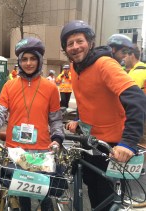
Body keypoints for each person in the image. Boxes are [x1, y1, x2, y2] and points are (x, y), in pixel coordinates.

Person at [60, 20, 146, 210]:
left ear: (90, 42)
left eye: (79, 41)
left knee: (109, 200)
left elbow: (137, 99)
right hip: (91, 142)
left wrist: (128, 143)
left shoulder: (104, 64)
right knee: (94, 194)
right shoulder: (74, 67)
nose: (75, 47)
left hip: (113, 148)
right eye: (70, 43)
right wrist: (79, 120)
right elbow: (89, 99)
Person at [0, 37, 64, 211]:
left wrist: (58, 138)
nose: (28, 63)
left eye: (33, 58)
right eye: (24, 59)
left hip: (41, 151)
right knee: (23, 198)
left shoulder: (51, 88)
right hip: (16, 150)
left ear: (39, 60)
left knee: (45, 198)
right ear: (19, 62)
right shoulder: (9, 86)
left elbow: (55, 120)